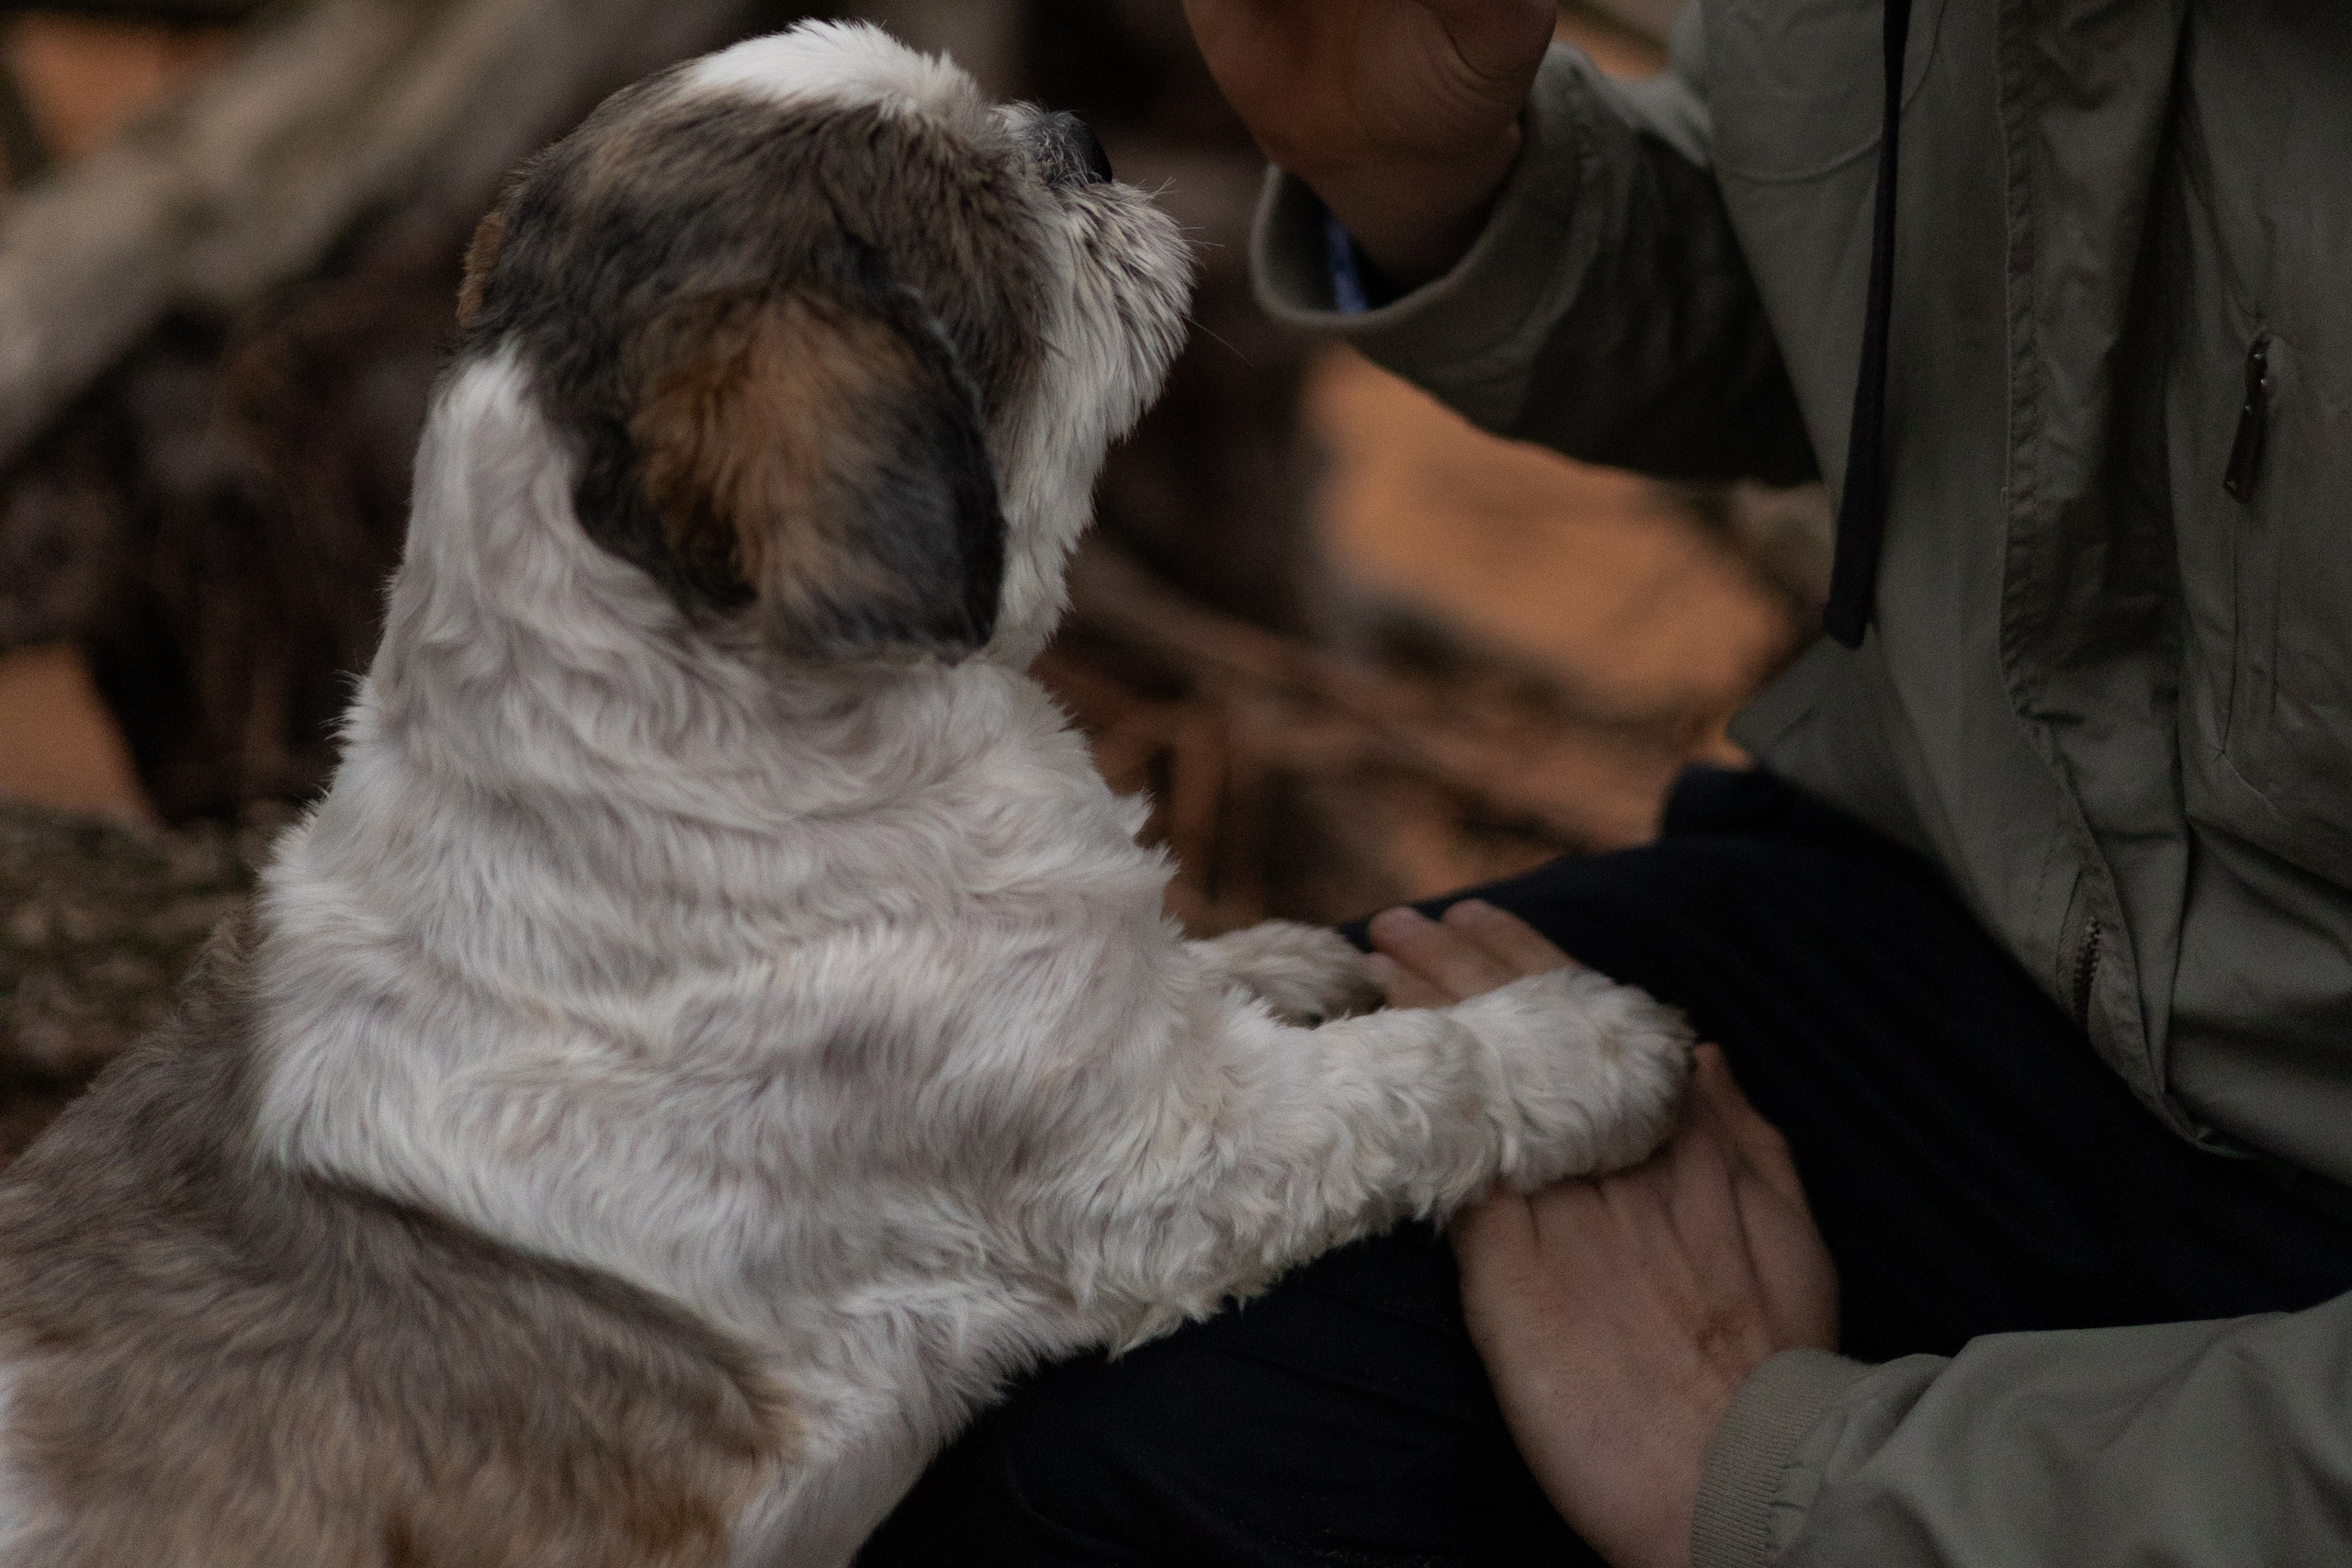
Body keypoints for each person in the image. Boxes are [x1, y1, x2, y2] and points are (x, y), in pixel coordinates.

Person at [862, 2, 2352, 1563]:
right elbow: (1938, 321)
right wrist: (1454, 183)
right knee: (1023, 1384)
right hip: (1957, 910)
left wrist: (1790, 1486)